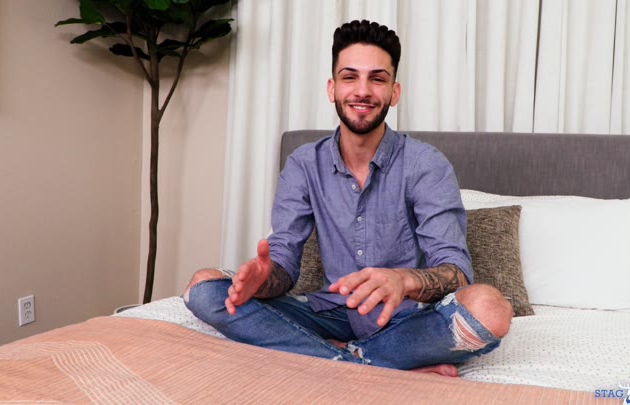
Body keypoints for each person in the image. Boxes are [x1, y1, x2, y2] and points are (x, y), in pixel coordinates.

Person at [183, 19, 512, 377]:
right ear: (332, 88)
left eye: (377, 79)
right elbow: (284, 262)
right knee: (203, 287)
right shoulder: (304, 164)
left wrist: (403, 280)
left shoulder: (426, 164)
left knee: (489, 308)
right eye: (350, 77)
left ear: (394, 92)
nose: (362, 91)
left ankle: (327, 356)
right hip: (328, 315)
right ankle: (370, 361)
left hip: (405, 321)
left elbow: (457, 273)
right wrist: (264, 278)